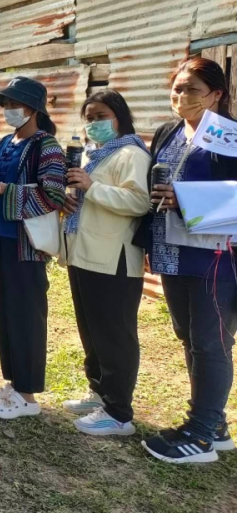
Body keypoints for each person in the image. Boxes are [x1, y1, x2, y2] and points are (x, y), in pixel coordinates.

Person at [138, 57, 237, 464]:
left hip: (215, 252)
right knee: (189, 336)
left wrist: (187, 200)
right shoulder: (168, 132)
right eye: (177, 88)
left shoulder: (230, 137)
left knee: (211, 342)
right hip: (172, 247)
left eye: (192, 89)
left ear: (217, 94)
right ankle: (214, 424)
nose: (181, 96)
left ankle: (199, 436)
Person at [0, 76, 65, 420]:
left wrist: (3, 190)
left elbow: (53, 195)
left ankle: (27, 395)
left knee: (26, 315)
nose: (9, 110)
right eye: (6, 105)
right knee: (4, 313)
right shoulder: (1, 143)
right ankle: (12, 384)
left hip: (26, 245)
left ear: (33, 109)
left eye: (15, 105)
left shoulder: (48, 147)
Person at [60, 90, 150, 437]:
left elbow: (139, 202)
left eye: (100, 116)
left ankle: (118, 412)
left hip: (113, 259)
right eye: (90, 117)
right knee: (93, 331)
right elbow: (91, 197)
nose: (94, 123)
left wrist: (91, 186)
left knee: (114, 334)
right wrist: (73, 202)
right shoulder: (96, 156)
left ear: (119, 116)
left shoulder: (131, 154)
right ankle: (99, 392)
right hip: (86, 254)